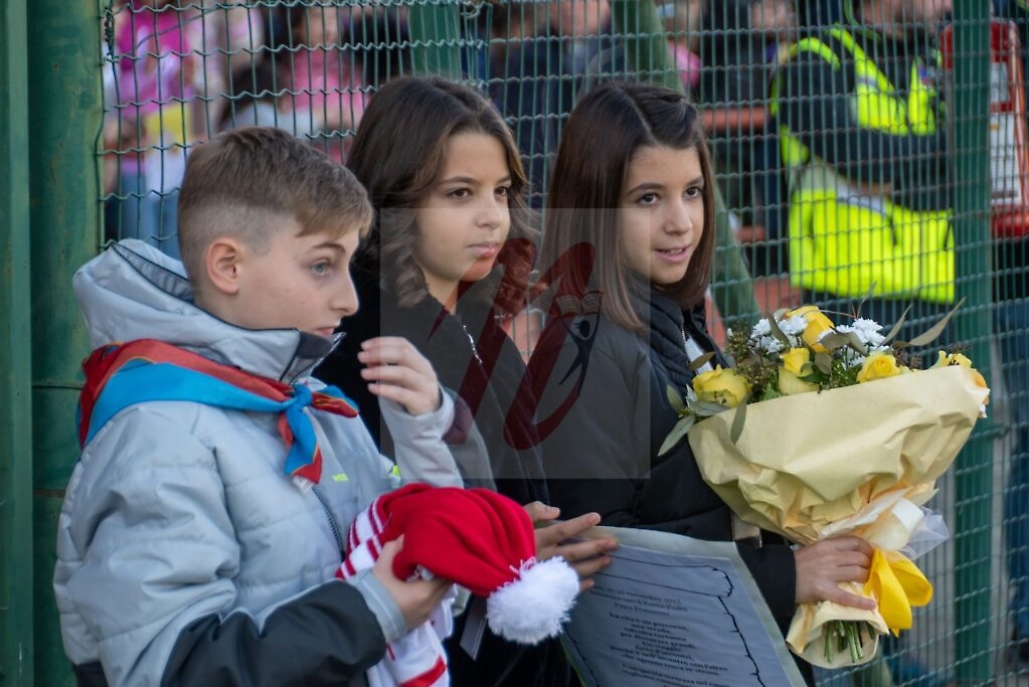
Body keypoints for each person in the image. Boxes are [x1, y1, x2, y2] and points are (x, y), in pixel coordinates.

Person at [54, 126, 468, 687]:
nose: (348, 300)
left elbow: (427, 579)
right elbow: (172, 670)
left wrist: (422, 431)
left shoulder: (321, 409)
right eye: (322, 265)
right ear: (228, 265)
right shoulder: (157, 435)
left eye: (348, 265)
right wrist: (371, 611)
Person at [528, 81, 876, 685]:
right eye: (647, 199)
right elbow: (602, 564)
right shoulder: (581, 354)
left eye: (692, 192)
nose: (680, 221)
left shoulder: (674, 318)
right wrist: (784, 576)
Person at [315, 75, 617, 687]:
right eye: (459, 194)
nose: (492, 218)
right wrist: (504, 549)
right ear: (393, 202)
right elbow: (376, 543)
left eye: (501, 191)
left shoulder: (481, 323)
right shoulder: (366, 350)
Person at [769, 0, 954, 339]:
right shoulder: (814, 60)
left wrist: (896, 184)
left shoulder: (939, 61)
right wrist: (940, 148)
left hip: (939, 297)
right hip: (848, 300)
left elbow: (971, 164)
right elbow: (856, 153)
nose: (946, 6)